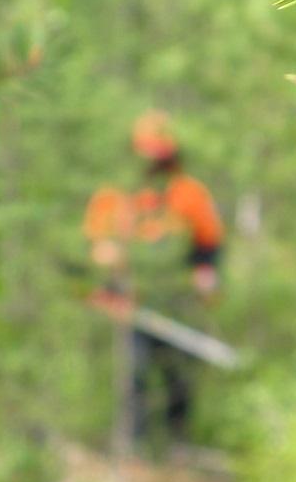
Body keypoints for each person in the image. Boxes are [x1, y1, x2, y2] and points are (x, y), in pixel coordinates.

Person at [83, 111, 224, 444]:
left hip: (179, 300)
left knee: (181, 375)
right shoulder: (115, 195)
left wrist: (206, 276)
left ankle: (178, 444)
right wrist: (104, 274)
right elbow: (95, 242)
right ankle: (134, 445)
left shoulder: (189, 192)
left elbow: (209, 243)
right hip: (135, 299)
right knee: (136, 373)